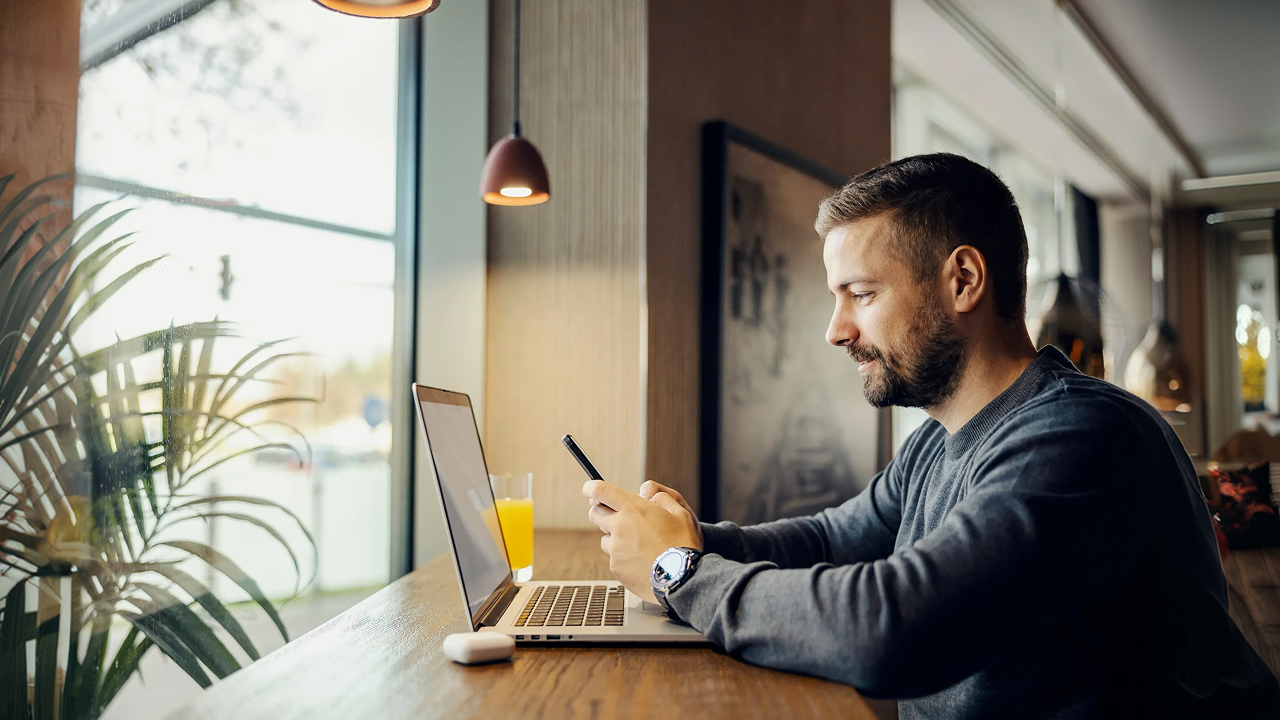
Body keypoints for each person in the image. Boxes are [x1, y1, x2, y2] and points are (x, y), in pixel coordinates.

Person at [583, 153, 1280, 719]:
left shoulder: (1082, 437)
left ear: (965, 280)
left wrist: (680, 574)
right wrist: (684, 535)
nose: (836, 330)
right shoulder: (939, 439)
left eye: (861, 294)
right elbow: (828, 541)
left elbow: (896, 630)